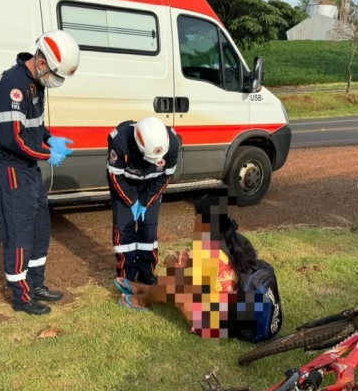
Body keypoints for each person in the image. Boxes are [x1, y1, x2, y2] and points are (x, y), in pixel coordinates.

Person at [0, 30, 80, 315]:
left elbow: (32, 125)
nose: (55, 81)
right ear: (41, 62)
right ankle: (21, 297)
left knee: (40, 229)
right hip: (9, 170)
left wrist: (49, 138)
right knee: (20, 236)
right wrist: (48, 154)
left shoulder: (37, 84)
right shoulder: (13, 85)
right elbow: (12, 138)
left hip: (28, 169)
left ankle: (36, 284)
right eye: (55, 75)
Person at [115, 189, 283, 341]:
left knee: (171, 282)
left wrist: (172, 263)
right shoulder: (236, 240)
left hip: (216, 324)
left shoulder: (207, 251)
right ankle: (144, 289)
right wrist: (188, 264)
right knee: (175, 279)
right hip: (233, 310)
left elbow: (191, 287)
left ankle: (142, 300)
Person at [107, 116, 179, 285]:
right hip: (125, 184)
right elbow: (115, 177)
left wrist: (147, 201)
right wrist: (131, 201)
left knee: (149, 229)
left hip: (152, 186)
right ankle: (127, 275)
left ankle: (147, 273)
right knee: (124, 230)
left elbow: (166, 176)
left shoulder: (173, 143)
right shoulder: (120, 142)